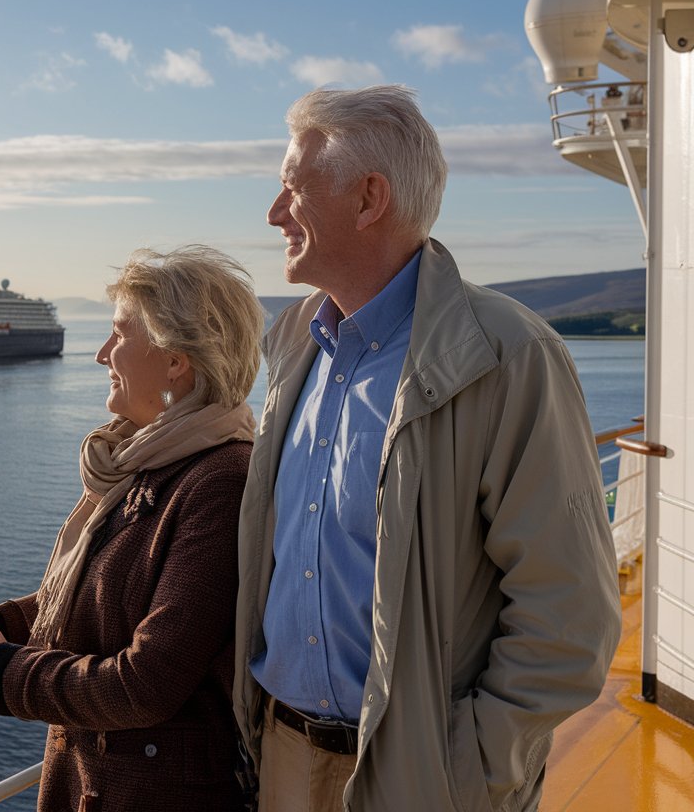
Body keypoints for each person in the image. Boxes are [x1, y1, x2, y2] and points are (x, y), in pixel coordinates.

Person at [233, 85, 622, 812]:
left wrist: (466, 771)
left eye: (292, 189)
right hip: (281, 758)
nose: (274, 212)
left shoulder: (507, 355)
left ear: (368, 199)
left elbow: (569, 617)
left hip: (422, 780)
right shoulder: (292, 343)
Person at [0, 245, 266, 812]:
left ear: (176, 360)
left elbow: (146, 683)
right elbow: (99, 595)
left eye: (117, 335)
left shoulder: (219, 481)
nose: (101, 354)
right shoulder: (147, 462)